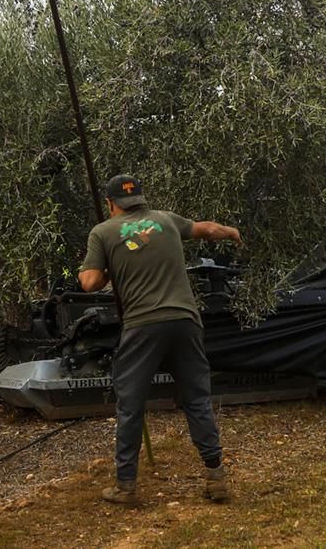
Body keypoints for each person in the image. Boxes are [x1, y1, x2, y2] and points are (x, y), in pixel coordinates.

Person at [79, 174, 242, 505]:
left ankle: (125, 486)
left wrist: (111, 269)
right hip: (185, 320)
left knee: (130, 406)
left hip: (142, 326)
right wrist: (231, 232)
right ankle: (216, 477)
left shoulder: (104, 232)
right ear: (140, 198)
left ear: (111, 204)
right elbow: (207, 230)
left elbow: (89, 282)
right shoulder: (166, 220)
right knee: (197, 399)